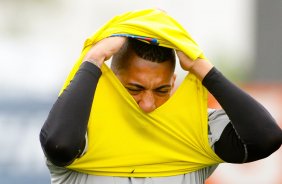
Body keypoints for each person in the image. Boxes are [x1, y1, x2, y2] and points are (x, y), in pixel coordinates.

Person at [39, 13, 282, 184]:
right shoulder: (81, 131)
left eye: (161, 90)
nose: (148, 104)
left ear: (173, 83)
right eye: (134, 89)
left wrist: (202, 67)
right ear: (110, 81)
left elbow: (266, 138)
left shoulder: (196, 130)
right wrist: (94, 58)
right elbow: (59, 145)